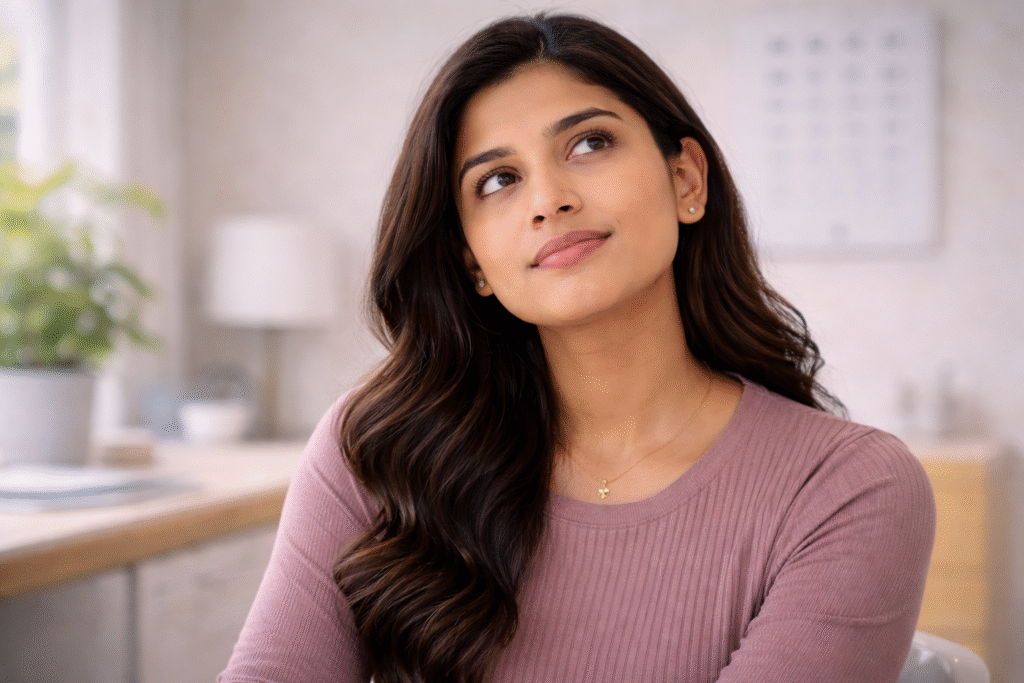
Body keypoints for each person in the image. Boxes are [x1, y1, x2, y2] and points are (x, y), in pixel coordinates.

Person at [219, 12, 934, 683]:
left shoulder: (846, 487)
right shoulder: (376, 450)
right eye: (498, 180)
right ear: (472, 263)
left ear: (685, 179)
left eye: (589, 143)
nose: (548, 198)